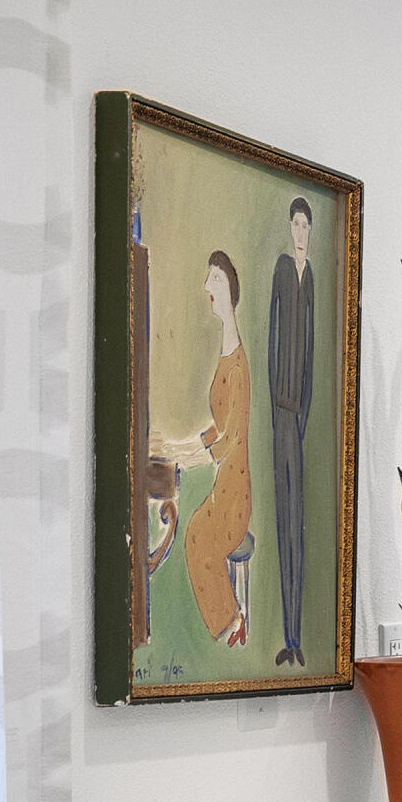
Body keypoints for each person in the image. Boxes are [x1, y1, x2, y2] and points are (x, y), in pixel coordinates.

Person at [150, 251, 255, 649]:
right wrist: (175, 446)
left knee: (198, 536)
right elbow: (217, 426)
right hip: (223, 484)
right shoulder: (227, 355)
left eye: (214, 280)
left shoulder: (239, 366)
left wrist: (186, 457)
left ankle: (233, 620)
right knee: (195, 533)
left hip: (235, 492)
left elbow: (229, 440)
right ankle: (232, 619)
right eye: (209, 279)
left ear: (228, 288)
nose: (207, 288)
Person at [268, 198, 317, 667]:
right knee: (283, 518)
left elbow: (313, 352)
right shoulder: (284, 270)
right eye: (296, 222)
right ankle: (287, 636)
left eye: (306, 224)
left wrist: (302, 416)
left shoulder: (312, 277)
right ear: (289, 227)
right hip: (279, 413)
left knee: (297, 526)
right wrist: (279, 408)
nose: (300, 231)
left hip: (296, 419)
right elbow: (273, 336)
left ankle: (297, 637)